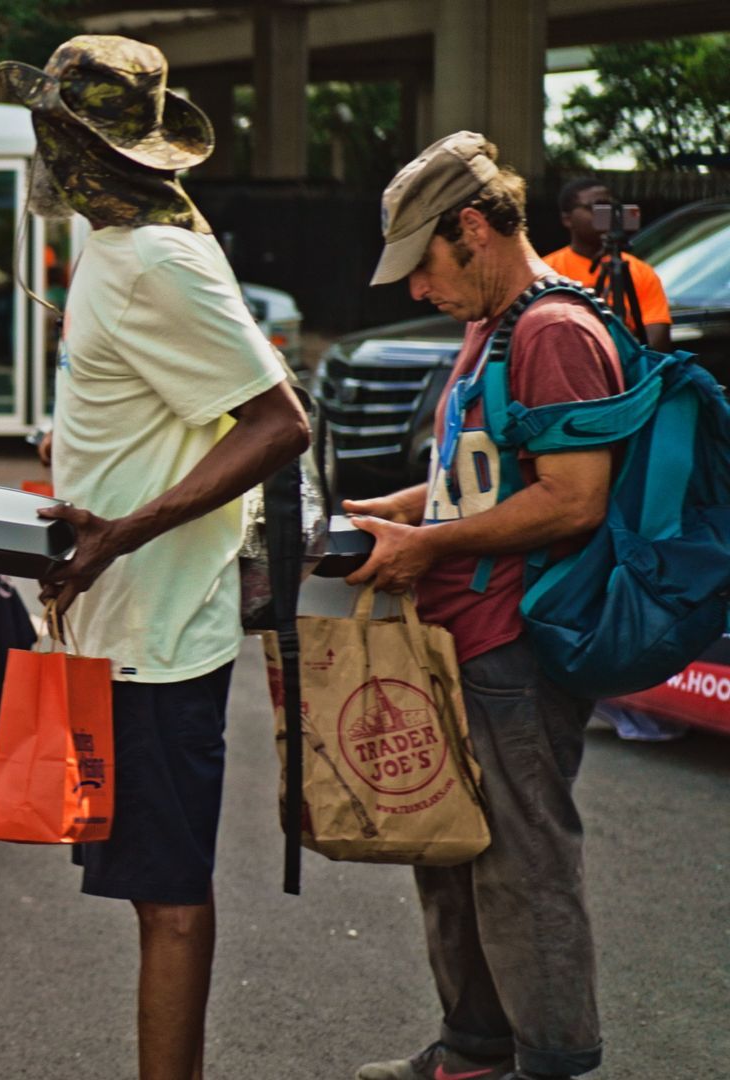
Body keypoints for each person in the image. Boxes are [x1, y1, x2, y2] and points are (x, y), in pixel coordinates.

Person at [0, 36, 310, 1080]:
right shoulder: (123, 242)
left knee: (170, 897)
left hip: (156, 628)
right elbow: (169, 406)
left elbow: (278, 423)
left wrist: (125, 529)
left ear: (78, 144)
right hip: (120, 620)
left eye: (51, 129)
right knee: (150, 887)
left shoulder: (154, 258)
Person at [347, 132, 617, 1080]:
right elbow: (490, 476)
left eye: (423, 265)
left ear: (473, 228)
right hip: (459, 637)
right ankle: (472, 1053)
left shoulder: (553, 333)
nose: (418, 291)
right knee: (452, 852)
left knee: (524, 869)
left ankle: (553, 1063)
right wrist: (404, 511)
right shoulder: (491, 328)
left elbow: (574, 495)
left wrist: (429, 546)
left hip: (515, 642)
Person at [542, 178, 673, 351]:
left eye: (611, 207)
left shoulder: (639, 271)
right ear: (567, 219)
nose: (607, 215)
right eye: (597, 207)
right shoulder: (547, 270)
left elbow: (657, 340)